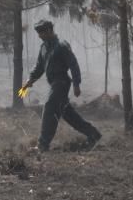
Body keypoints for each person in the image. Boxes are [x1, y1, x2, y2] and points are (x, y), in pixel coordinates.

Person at [20, 19, 101, 152]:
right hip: (53, 83)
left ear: (50, 31)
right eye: (38, 33)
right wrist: (30, 80)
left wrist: (76, 84)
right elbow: (39, 66)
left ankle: (42, 144)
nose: (40, 35)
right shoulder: (44, 47)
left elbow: (73, 64)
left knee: (49, 106)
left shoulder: (61, 45)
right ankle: (94, 134)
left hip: (62, 82)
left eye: (42, 32)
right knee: (68, 114)